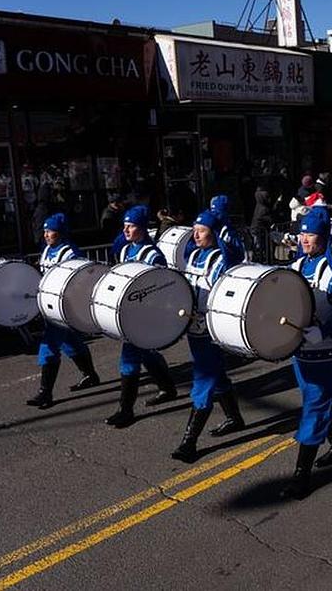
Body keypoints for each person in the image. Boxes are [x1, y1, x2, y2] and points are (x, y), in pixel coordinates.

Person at [279, 209, 332, 499]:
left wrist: (323, 332)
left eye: (310, 234)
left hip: (326, 352)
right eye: (302, 233)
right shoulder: (296, 266)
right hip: (301, 351)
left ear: (323, 238)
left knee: (314, 407)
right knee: (320, 401)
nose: (304, 239)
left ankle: (301, 477)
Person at [172, 210, 245, 462]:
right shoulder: (193, 254)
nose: (195, 234)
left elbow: (226, 291)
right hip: (193, 327)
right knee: (215, 373)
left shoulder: (221, 260)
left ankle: (188, 442)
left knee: (203, 379)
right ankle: (235, 418)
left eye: (201, 230)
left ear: (213, 234)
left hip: (210, 329)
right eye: (194, 229)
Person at [104, 206, 179, 428]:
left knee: (129, 360)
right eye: (124, 226)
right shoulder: (127, 250)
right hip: (131, 313)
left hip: (144, 316)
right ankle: (168, 388)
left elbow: (160, 287)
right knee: (146, 353)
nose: (126, 230)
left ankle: (125, 410)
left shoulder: (153, 255)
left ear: (142, 228)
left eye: (131, 226)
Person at [26, 213, 100, 409]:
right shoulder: (47, 249)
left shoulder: (70, 253)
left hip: (63, 307)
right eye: (45, 231)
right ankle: (90, 375)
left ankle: (45, 393)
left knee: (48, 346)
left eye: (50, 231)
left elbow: (80, 279)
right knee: (70, 342)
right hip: (49, 304)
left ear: (60, 232)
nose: (46, 235)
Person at [209, 194, 246, 264]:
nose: (215, 215)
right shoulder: (212, 227)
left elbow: (240, 254)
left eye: (217, 213)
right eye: (213, 212)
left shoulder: (228, 232)